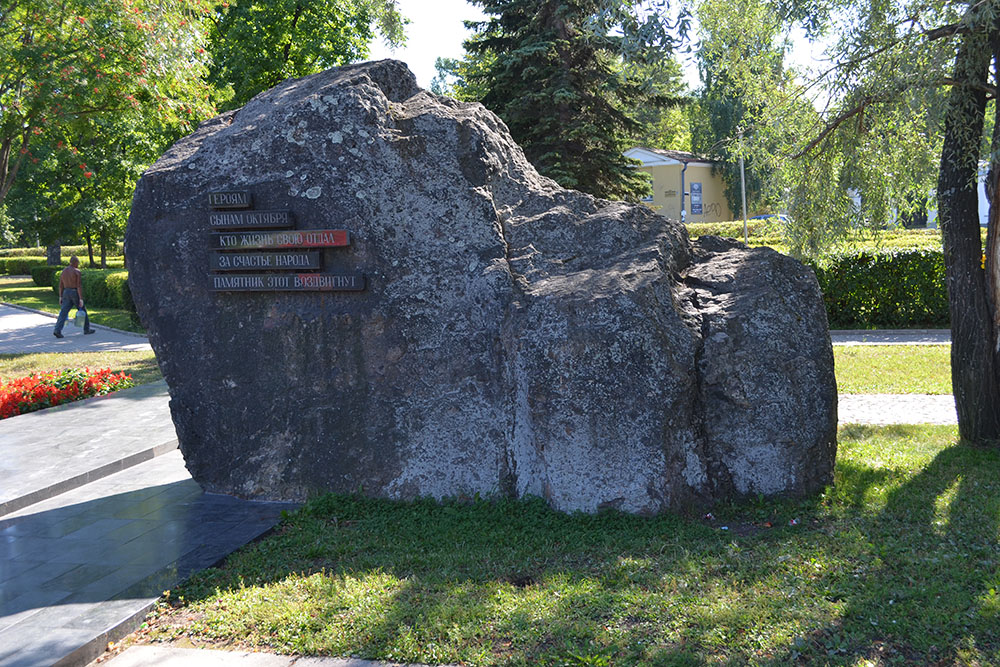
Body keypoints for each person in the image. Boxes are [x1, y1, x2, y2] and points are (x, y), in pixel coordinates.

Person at [53, 256, 95, 338]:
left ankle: (57, 330)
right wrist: (81, 299)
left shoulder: (63, 271)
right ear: (75, 262)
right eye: (78, 263)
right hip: (74, 292)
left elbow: (61, 285)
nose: (78, 265)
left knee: (63, 312)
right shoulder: (77, 272)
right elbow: (78, 286)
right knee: (82, 309)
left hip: (65, 292)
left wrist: (60, 296)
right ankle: (86, 329)